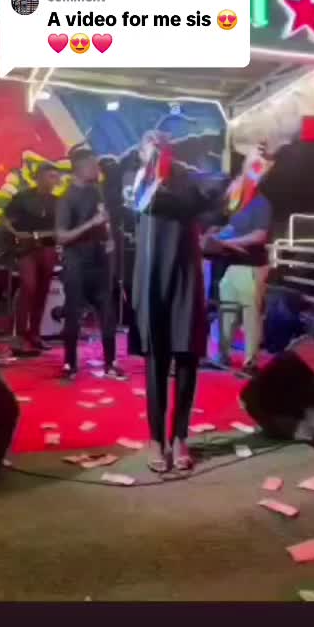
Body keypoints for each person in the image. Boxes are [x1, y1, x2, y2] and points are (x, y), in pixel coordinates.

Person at [133, 132, 221, 473]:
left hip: (185, 275)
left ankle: (181, 435)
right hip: (152, 277)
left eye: (161, 142)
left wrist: (252, 172)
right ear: (141, 151)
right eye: (149, 143)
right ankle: (157, 439)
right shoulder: (137, 181)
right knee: (156, 361)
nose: (155, 146)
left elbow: (215, 199)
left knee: (186, 357)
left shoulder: (189, 181)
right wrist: (154, 170)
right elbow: (146, 202)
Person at [56, 148, 125, 381]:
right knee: (73, 312)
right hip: (76, 261)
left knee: (107, 312)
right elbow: (61, 236)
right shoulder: (67, 198)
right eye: (94, 166)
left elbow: (103, 220)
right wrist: (90, 224)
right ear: (81, 167)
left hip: (99, 260)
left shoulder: (97, 192)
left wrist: (109, 238)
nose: (98, 170)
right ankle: (69, 363)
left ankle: (111, 363)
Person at [203, 147, 273, 375]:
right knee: (227, 313)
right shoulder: (237, 204)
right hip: (232, 265)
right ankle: (222, 356)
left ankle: (250, 362)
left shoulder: (261, 203)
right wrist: (218, 235)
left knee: (250, 316)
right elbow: (229, 228)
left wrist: (229, 242)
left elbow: (260, 235)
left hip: (251, 267)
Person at [2, 164, 60, 353]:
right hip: (26, 248)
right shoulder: (23, 197)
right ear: (39, 177)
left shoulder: (58, 202)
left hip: (47, 248)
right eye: (50, 176)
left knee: (42, 291)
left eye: (55, 177)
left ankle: (35, 334)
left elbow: (62, 228)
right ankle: (19, 335)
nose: (54, 180)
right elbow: (6, 220)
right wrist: (16, 234)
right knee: (29, 286)